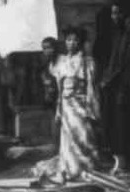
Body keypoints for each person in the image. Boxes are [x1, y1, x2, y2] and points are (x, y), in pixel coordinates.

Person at [38, 25, 101, 183]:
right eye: (68, 40)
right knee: (67, 138)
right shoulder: (62, 61)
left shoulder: (87, 61)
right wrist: (59, 108)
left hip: (80, 103)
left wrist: (91, 107)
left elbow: (91, 87)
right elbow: (59, 86)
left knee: (83, 135)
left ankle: (85, 168)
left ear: (80, 42)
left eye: (75, 40)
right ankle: (69, 168)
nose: (71, 43)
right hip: (66, 104)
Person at [98, 3, 130, 171]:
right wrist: (106, 80)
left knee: (125, 124)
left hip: (127, 86)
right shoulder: (118, 36)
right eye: (113, 14)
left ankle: (128, 161)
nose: (115, 17)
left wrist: (113, 81)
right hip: (116, 87)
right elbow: (113, 63)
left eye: (117, 13)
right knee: (115, 123)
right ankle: (119, 159)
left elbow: (127, 66)